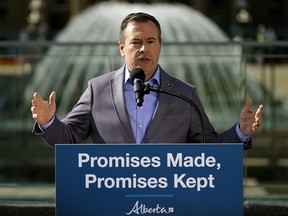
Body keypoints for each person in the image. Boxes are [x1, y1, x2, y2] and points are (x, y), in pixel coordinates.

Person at [31, 12, 264, 148]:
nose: (144, 49)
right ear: (122, 48)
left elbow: (209, 147)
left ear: (160, 46)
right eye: (136, 42)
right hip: (110, 199)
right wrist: (48, 122)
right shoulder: (97, 89)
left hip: (166, 199)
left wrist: (241, 132)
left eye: (151, 41)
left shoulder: (184, 93)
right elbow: (69, 137)